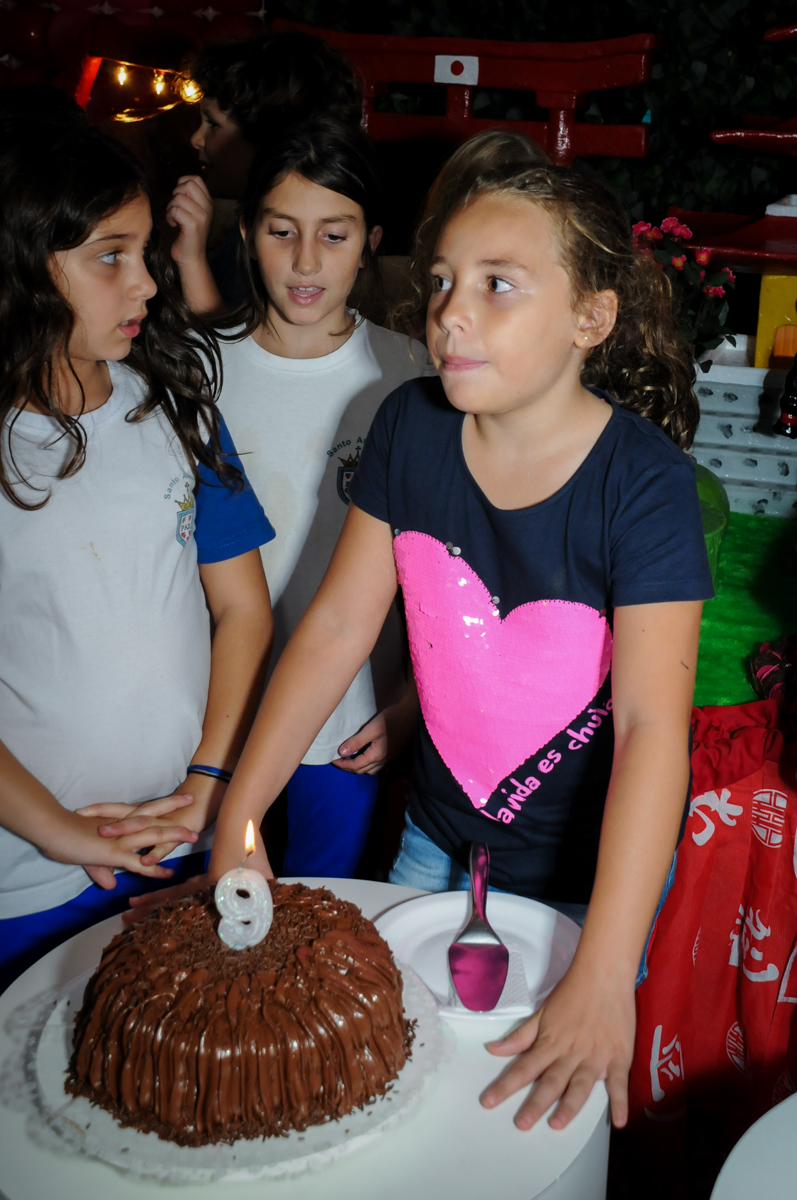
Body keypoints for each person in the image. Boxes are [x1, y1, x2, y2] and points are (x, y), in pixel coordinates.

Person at [135, 130, 713, 1132]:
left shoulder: (643, 485)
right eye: (442, 279)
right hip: (435, 843)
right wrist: (238, 815)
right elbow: (335, 629)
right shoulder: (407, 424)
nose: (449, 312)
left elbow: (651, 729)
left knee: (534, 1116)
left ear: (591, 317)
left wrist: (603, 966)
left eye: (497, 285)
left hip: (588, 878)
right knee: (406, 1091)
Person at [0, 120, 275, 994]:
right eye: (110, 256)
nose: (147, 282)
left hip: (183, 839)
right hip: (27, 873)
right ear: (22, 263)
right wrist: (59, 831)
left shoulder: (176, 410)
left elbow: (243, 609)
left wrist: (208, 783)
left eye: (145, 250)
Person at [209, 116, 431, 877]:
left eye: (334, 236)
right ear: (246, 232)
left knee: (324, 914)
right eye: (282, 232)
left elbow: (441, 564)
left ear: (371, 242)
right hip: (212, 718)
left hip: (350, 721)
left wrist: (411, 704)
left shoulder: (412, 376)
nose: (306, 261)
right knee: (213, 911)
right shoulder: (195, 374)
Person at [166, 31, 363, 314]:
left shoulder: (279, 242)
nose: (196, 139)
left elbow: (232, 336)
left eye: (213, 124)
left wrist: (191, 258)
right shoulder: (250, 221)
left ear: (269, 139)